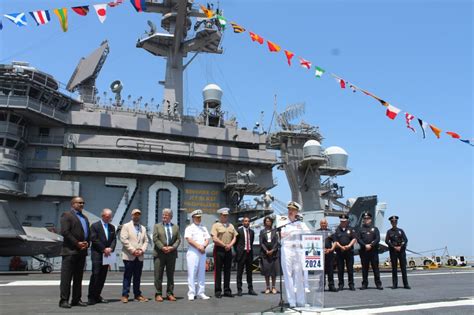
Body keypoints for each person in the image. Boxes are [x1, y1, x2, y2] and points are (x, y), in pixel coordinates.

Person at [59, 196, 91, 309]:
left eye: (83, 203)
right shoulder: (67, 215)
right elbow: (65, 232)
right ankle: (64, 300)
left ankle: (76, 299)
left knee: (78, 277)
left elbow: (88, 233)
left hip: (82, 252)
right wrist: (77, 243)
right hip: (70, 251)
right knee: (66, 278)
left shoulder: (85, 218)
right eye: (79, 203)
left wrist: (87, 243)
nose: (82, 204)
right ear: (73, 204)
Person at [278, 201, 310, 308]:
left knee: (299, 276)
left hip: (298, 250)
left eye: (292, 210)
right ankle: (291, 301)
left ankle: (301, 300)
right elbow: (283, 235)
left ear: (297, 211)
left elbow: (309, 235)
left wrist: (294, 232)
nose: (290, 211)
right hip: (287, 249)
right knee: (288, 275)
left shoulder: (301, 223)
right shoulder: (283, 221)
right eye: (289, 209)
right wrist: (294, 232)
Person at [88, 208, 117, 305]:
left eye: (110, 217)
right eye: (107, 217)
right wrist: (104, 249)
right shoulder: (95, 226)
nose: (109, 219)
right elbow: (94, 239)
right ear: (103, 216)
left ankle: (97, 295)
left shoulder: (112, 227)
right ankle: (91, 297)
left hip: (107, 255)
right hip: (97, 254)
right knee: (95, 275)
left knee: (103, 276)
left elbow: (114, 240)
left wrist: (111, 248)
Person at [120, 209, 149, 303]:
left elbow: (146, 241)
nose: (136, 216)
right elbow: (124, 239)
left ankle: (137, 294)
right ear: (131, 215)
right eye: (135, 215)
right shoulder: (126, 226)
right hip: (129, 255)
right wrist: (133, 250)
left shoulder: (143, 228)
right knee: (127, 276)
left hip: (139, 256)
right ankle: (125, 295)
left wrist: (142, 250)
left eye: (138, 215)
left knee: (137, 276)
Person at [152, 208, 181, 302]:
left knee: (170, 275)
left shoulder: (176, 227)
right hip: (159, 253)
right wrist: (162, 247)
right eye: (163, 214)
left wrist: (172, 247)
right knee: (158, 275)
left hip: (171, 254)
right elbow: (155, 239)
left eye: (166, 215)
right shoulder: (157, 226)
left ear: (171, 217)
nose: (164, 216)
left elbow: (178, 240)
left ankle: (170, 293)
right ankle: (158, 294)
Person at [211, 207, 238, 298]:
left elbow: (235, 237)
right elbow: (214, 238)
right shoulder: (216, 225)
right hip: (219, 249)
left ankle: (227, 290)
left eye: (226, 215)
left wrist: (230, 245)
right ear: (220, 216)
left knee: (228, 271)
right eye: (224, 215)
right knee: (218, 271)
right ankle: (218, 291)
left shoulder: (231, 226)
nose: (225, 217)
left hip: (228, 249)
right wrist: (224, 245)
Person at [184, 209, 211, 301]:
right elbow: (189, 239)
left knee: (201, 273)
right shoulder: (189, 228)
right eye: (197, 217)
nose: (199, 219)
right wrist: (199, 246)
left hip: (202, 251)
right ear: (193, 218)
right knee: (192, 272)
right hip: (193, 252)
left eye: (200, 217)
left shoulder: (204, 228)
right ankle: (191, 293)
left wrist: (203, 246)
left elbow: (207, 239)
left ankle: (201, 292)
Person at [357, 212, 383, 290]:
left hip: (373, 252)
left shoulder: (375, 229)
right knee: (365, 269)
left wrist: (371, 245)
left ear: (370, 219)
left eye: (367, 218)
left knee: (376, 268)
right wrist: (365, 245)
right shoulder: (360, 229)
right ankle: (364, 284)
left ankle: (378, 284)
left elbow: (377, 238)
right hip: (364, 251)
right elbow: (358, 239)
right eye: (364, 218)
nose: (366, 220)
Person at [385, 215, 410, 289]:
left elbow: (405, 240)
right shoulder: (389, 232)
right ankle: (395, 284)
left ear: (397, 222)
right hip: (393, 251)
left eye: (395, 221)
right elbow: (387, 241)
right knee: (394, 268)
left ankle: (406, 284)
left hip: (401, 251)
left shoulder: (400, 231)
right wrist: (394, 247)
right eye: (392, 222)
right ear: (391, 223)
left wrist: (400, 246)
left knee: (403, 268)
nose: (394, 223)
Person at [333, 214, 356, 291]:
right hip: (340, 252)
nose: (343, 223)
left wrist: (349, 246)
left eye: (344, 221)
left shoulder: (351, 229)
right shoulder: (337, 230)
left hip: (349, 251)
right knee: (340, 269)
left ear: (347, 221)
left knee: (350, 269)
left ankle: (351, 284)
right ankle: (341, 284)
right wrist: (341, 247)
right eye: (341, 221)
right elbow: (335, 241)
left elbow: (354, 239)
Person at [235, 216, 258, 296]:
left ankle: (250, 289)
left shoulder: (252, 232)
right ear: (242, 222)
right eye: (245, 221)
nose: (247, 222)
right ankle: (239, 290)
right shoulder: (239, 231)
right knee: (239, 273)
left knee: (249, 273)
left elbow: (251, 242)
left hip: (249, 254)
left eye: (248, 221)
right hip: (242, 254)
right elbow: (235, 243)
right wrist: (237, 252)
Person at [259, 216, 280, 294]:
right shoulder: (262, 231)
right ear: (264, 222)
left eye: (269, 221)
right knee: (267, 271)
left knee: (273, 271)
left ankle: (274, 287)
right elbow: (261, 242)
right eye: (266, 221)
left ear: (271, 222)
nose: (268, 222)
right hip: (265, 254)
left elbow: (276, 242)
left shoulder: (275, 231)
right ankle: (267, 287)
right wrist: (266, 250)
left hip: (274, 253)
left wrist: (272, 250)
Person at [317, 218, 338, 292]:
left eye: (324, 223)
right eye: (322, 223)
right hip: (320, 254)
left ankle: (331, 286)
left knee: (330, 270)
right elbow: (313, 242)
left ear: (327, 224)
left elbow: (335, 242)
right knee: (321, 271)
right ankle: (321, 286)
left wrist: (331, 249)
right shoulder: (316, 232)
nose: (323, 225)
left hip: (329, 253)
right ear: (320, 224)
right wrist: (321, 250)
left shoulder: (331, 232)